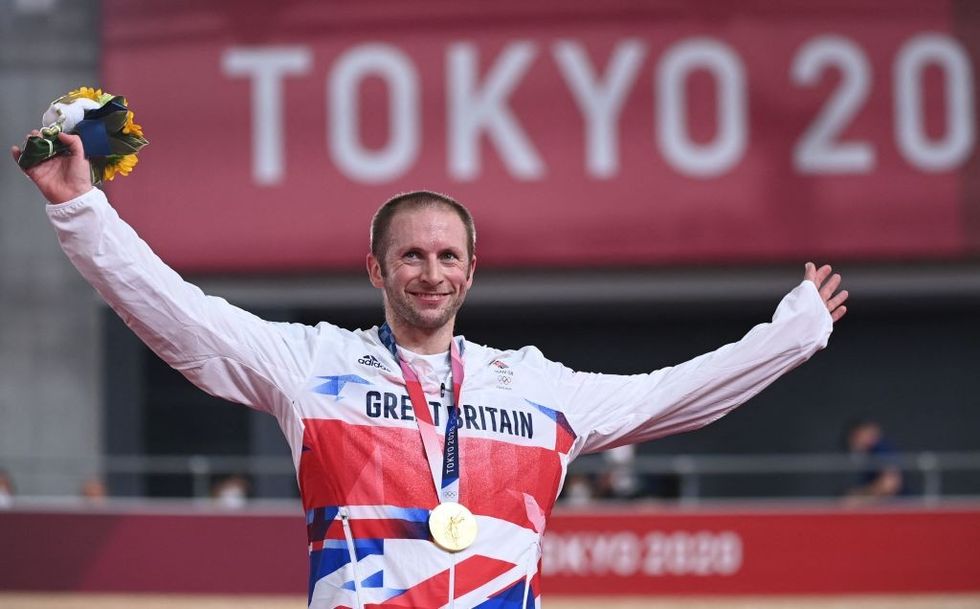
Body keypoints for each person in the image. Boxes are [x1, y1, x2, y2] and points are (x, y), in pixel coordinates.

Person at [13, 132, 847, 609]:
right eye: (409, 255)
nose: (430, 271)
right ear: (375, 270)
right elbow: (176, 312)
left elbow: (678, 392)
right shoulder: (313, 363)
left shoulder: (537, 385)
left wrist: (792, 333)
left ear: (473, 269)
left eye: (447, 254)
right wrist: (80, 208)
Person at [844, 419, 904, 504]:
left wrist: (860, 498)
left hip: (898, 506)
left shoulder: (881, 448)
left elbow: (890, 484)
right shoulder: (868, 454)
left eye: (857, 436)